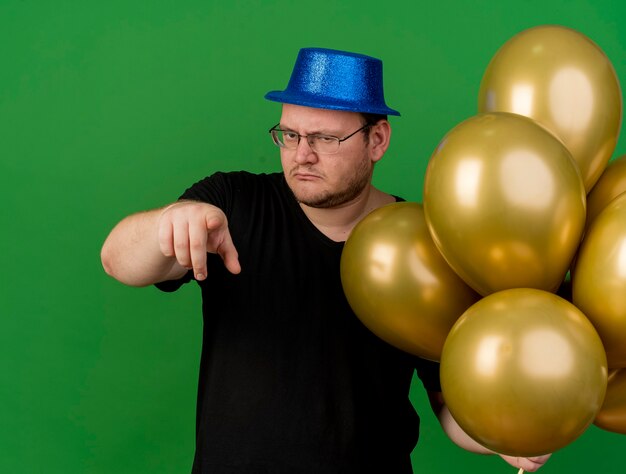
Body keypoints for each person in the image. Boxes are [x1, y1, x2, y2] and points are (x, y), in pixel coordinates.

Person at [101, 47, 550, 473]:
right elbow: (118, 261)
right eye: (290, 134)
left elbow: (448, 402)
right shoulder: (232, 203)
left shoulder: (424, 245)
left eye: (325, 138)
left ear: (377, 139)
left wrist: (504, 434)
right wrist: (171, 220)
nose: (302, 155)